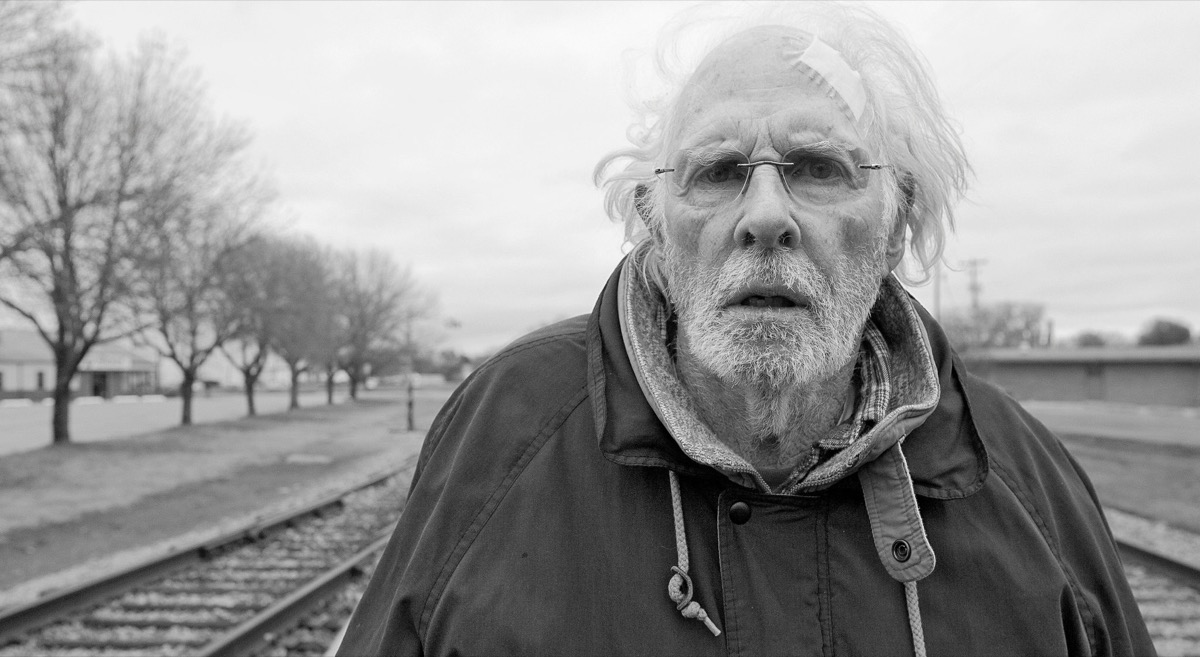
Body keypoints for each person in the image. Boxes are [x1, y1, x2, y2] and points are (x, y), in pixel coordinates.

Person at [339, 4, 1155, 656]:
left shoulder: (1024, 476)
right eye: (720, 171)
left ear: (898, 225)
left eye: (819, 167)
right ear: (656, 227)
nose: (765, 215)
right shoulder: (504, 432)